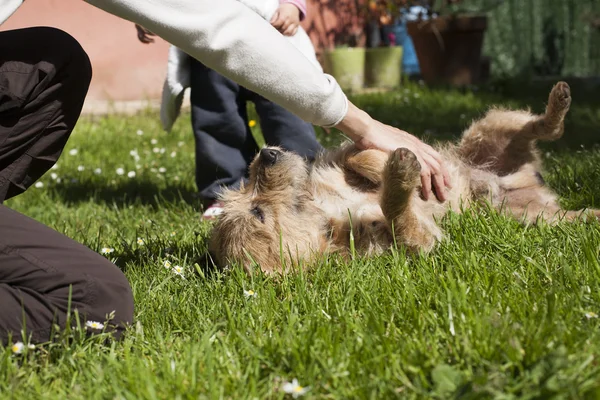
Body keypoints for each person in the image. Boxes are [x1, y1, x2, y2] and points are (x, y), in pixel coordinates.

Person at [0, 0, 450, 345]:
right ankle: (220, 189)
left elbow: (208, 19)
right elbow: (208, 22)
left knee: (57, 60)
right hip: (225, 42)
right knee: (97, 303)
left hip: (269, 37)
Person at [150, 0, 324, 219]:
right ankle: (225, 190)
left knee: (286, 112)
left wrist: (292, 5)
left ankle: (307, 181)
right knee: (217, 116)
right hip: (208, 35)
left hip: (268, 32)